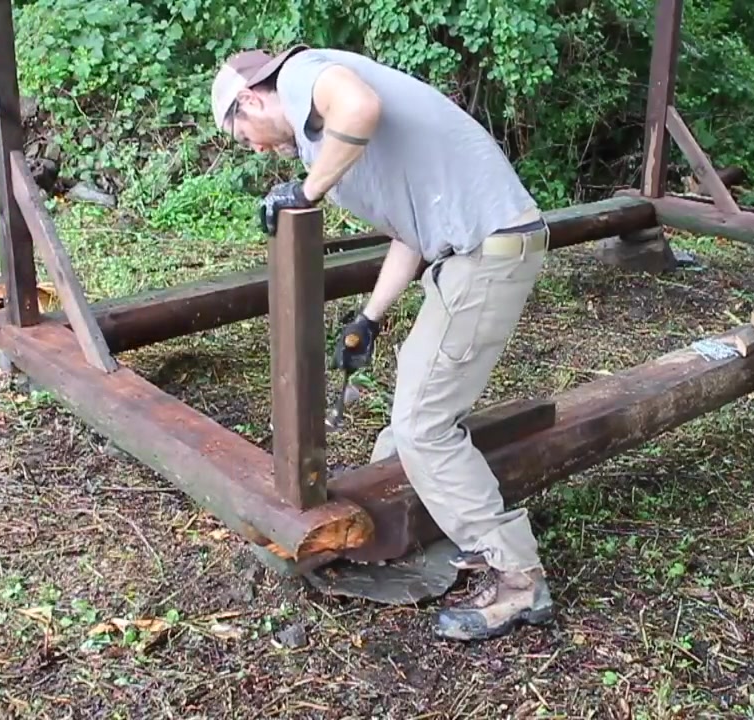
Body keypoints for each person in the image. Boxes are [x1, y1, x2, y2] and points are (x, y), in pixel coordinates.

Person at [210, 45, 553, 641]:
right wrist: (369, 317)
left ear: (249, 100)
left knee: (424, 423)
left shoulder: (302, 77)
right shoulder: (328, 141)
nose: (260, 150)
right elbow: (408, 235)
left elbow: (360, 105)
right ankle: (403, 514)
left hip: (488, 252)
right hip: (470, 253)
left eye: (248, 137)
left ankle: (517, 579)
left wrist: (306, 192)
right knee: (411, 409)